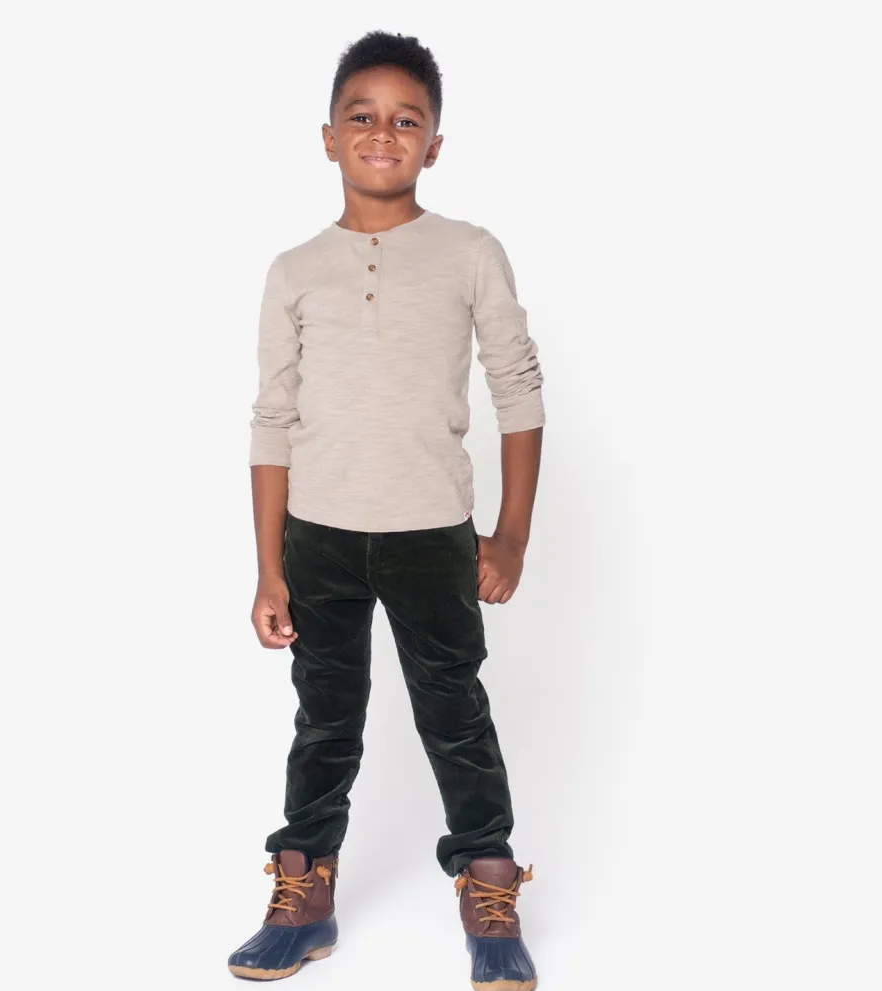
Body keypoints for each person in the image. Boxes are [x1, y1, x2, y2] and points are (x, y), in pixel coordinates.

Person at [228, 30, 545, 991]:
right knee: (325, 718)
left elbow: (518, 388)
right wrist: (270, 566)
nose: (383, 133)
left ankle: (488, 884)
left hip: (430, 536)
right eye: (361, 116)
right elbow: (272, 418)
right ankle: (304, 892)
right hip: (318, 539)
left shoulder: (469, 253)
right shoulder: (294, 270)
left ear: (434, 145)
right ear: (328, 137)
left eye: (407, 120)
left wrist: (512, 533)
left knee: (456, 713)